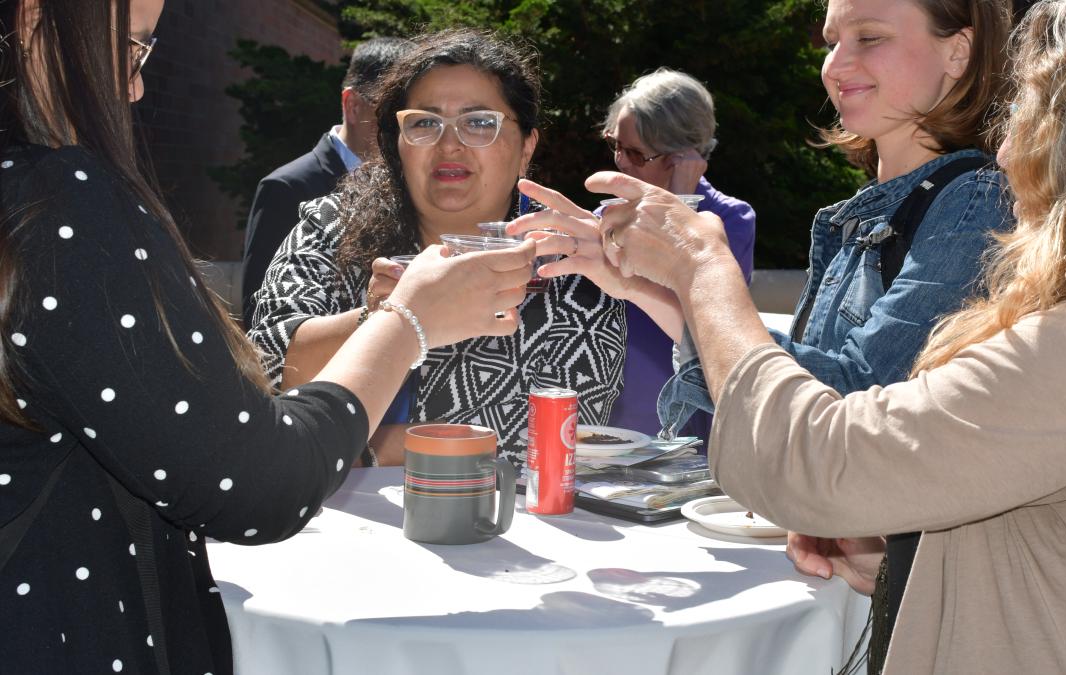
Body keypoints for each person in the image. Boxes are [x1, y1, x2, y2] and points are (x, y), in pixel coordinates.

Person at [584, 0, 1066, 671]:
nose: (1005, 146)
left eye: (1037, 106)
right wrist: (911, 559)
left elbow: (819, 457)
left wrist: (703, 274)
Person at [0, 1, 536, 671]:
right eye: (131, 49)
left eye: (480, 123)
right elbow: (257, 479)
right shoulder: (60, 202)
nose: (135, 87)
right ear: (32, 20)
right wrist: (408, 322)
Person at [512, 0, 1011, 668]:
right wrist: (641, 285)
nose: (837, 65)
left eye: (870, 38)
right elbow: (787, 390)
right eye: (833, 41)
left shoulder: (976, 197)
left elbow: (845, 408)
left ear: (959, 51)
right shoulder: (871, 210)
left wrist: (700, 274)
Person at [248, 29, 625, 468]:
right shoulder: (331, 226)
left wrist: (361, 448)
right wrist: (387, 318)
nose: (450, 144)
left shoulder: (570, 259)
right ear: (397, 144)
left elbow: (544, 443)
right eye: (425, 122)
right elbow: (265, 378)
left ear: (526, 147)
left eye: (480, 122)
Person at [599, 68, 755, 439]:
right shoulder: (613, 211)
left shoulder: (730, 219)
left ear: (681, 155)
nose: (621, 162)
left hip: (674, 414)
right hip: (609, 409)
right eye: (615, 144)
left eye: (635, 153)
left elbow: (706, 314)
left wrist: (683, 201)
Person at [240, 37, 412, 326]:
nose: (402, 129)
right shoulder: (287, 188)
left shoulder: (411, 182)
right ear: (353, 105)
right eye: (391, 114)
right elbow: (261, 317)